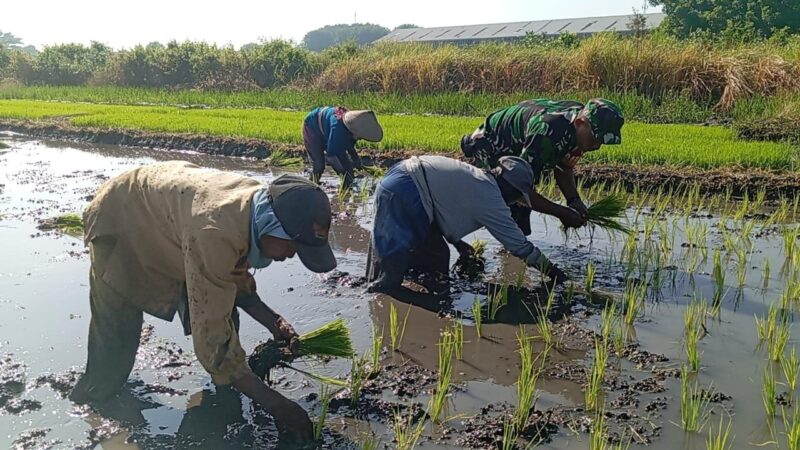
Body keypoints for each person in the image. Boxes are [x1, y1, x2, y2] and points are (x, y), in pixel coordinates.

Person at [69, 161, 338, 447]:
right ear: (272, 225)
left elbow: (229, 272)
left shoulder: (257, 209)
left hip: (177, 226)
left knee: (226, 313)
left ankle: (227, 391)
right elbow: (212, 337)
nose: (291, 255)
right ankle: (92, 406)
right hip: (123, 218)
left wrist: (273, 321)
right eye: (292, 245)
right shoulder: (216, 228)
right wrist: (279, 407)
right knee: (117, 339)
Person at [366, 155, 568, 293]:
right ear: (511, 188)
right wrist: (555, 273)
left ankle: (394, 288)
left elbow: (440, 211)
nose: (514, 201)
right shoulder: (491, 198)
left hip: (399, 177)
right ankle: (392, 297)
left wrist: (459, 244)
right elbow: (519, 246)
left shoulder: (477, 179)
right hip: (407, 189)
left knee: (418, 255)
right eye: (516, 197)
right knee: (426, 263)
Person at [460, 98, 625, 235]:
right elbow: (520, 190)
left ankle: (512, 256)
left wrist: (573, 200)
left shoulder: (581, 129)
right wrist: (561, 213)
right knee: (497, 205)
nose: (597, 146)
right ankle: (465, 243)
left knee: (521, 223)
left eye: (601, 141)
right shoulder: (546, 132)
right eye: (595, 139)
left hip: (521, 149)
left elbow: (564, 167)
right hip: (491, 146)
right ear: (580, 122)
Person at [303, 106, 384, 187]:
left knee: (349, 170)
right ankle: (310, 187)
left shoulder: (352, 125)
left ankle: (348, 186)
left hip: (327, 128)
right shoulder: (338, 130)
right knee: (319, 165)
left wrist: (356, 160)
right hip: (312, 126)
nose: (359, 139)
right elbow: (331, 156)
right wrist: (342, 173)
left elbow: (349, 145)